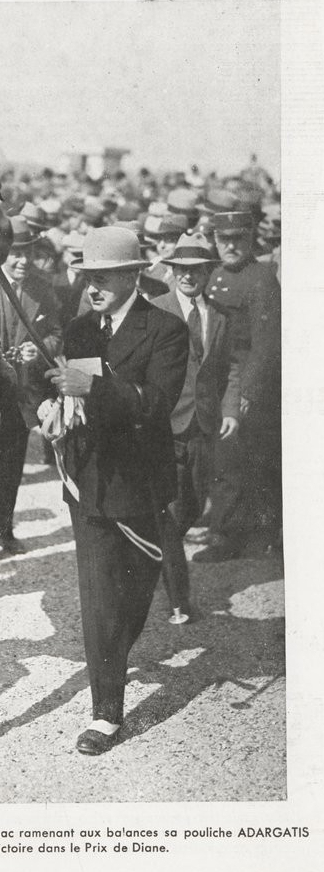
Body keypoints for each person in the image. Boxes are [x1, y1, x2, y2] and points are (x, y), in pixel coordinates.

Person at [45, 226, 188, 754]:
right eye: (88, 277)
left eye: (103, 277)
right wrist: (32, 378)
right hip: (90, 483)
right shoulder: (80, 329)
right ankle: (107, 712)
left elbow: (156, 404)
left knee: (134, 594)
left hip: (141, 484)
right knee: (100, 598)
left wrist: (95, 388)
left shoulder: (166, 330)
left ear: (132, 276)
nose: (93, 286)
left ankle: (114, 653)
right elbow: (61, 388)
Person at [150, 233, 240, 611]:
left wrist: (231, 408)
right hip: (163, 423)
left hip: (204, 424)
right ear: (173, 272)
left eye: (196, 271)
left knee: (191, 507)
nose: (188, 277)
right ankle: (179, 599)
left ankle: (154, 559)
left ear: (207, 273)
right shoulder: (155, 309)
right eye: (181, 271)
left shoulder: (219, 315)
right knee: (169, 512)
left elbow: (230, 367)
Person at [193, 210, 281, 561]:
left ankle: (230, 536)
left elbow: (265, 344)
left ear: (250, 239)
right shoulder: (214, 275)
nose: (230, 246)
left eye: (237, 239)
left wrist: (247, 392)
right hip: (219, 380)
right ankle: (231, 525)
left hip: (247, 383)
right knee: (223, 459)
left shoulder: (261, 279)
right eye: (223, 239)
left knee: (240, 461)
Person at [0, 216, 62, 554]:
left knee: (11, 456)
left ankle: (2, 529)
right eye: (13, 253)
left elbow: (58, 333)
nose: (20, 260)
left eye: (27, 253)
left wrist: (41, 347)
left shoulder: (43, 287)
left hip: (22, 386)